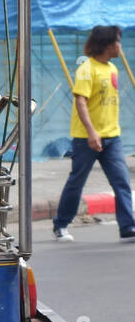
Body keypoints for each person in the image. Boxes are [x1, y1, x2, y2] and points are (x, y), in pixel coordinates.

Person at [52, 25, 135, 242]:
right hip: (86, 138)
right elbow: (81, 102)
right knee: (77, 181)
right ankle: (61, 224)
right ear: (107, 45)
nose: (120, 46)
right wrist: (92, 133)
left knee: (122, 182)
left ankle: (128, 226)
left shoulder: (113, 69)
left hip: (112, 137)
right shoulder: (87, 70)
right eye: (117, 42)